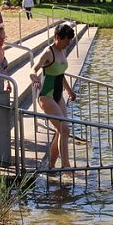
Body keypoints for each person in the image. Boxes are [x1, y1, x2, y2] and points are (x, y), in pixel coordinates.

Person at [30, 23, 77, 169]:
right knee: (65, 129)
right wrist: (35, 78)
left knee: (61, 131)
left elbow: (60, 74)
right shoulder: (48, 52)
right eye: (66, 41)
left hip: (58, 95)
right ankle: (66, 167)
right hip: (46, 95)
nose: (68, 44)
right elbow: (33, 68)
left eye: (70, 41)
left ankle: (51, 165)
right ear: (57, 37)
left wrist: (69, 91)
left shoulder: (62, 50)